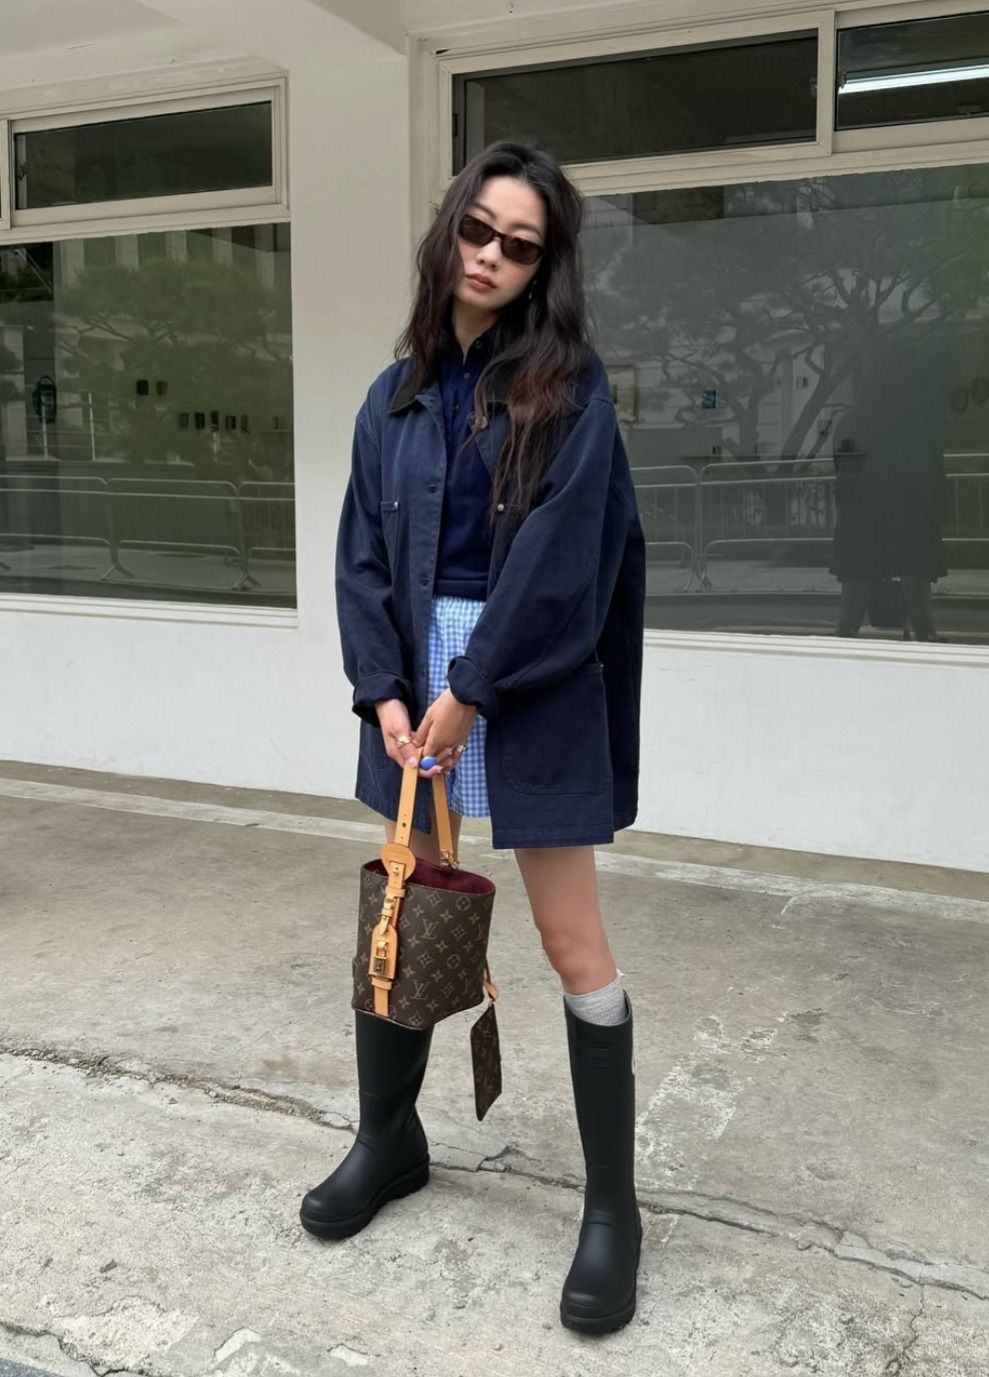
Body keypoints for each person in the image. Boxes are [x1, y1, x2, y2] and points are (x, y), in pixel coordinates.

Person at [300, 140, 646, 1336]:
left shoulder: (570, 388)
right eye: (478, 230)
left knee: (568, 939)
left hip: (523, 674)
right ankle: (387, 1140)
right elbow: (358, 554)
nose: (491, 256)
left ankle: (611, 1211)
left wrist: (470, 687)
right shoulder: (390, 394)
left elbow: (565, 556)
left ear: (544, 266)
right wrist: (383, 692)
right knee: (409, 910)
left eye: (520, 245)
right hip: (417, 678)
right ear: (449, 230)